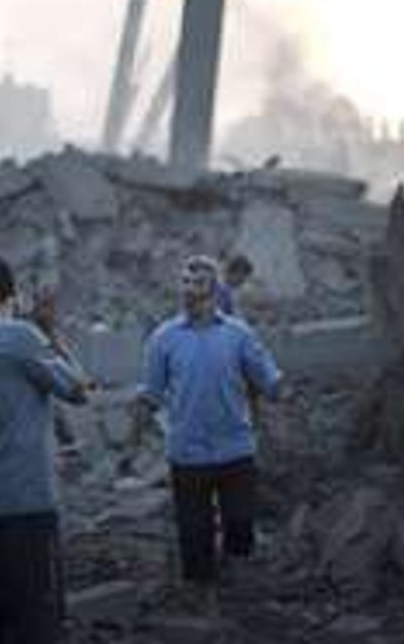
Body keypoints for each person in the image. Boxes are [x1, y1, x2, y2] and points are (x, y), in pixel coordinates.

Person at [0, 255, 91, 644]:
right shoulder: (17, 335)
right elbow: (78, 389)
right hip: (22, 504)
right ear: (13, 293)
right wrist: (49, 330)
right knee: (38, 620)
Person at [130, 255, 282, 607]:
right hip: (188, 453)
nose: (188, 289)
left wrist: (275, 392)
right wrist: (134, 436)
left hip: (235, 450)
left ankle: (239, 596)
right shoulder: (163, 339)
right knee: (194, 535)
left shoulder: (238, 334)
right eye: (184, 281)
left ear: (214, 290)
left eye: (197, 282)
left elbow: (268, 377)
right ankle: (200, 604)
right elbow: (151, 392)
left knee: (240, 523)